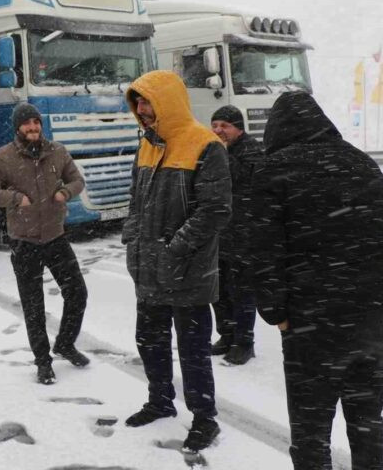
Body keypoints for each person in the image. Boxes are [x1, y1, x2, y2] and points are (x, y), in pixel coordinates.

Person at [250, 91, 383, 470]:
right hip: (370, 319)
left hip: (312, 321)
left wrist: (276, 311)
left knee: (311, 432)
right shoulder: (362, 163)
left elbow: (264, 249)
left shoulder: (274, 171)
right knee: (367, 424)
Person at [121, 70, 232, 452]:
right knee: (149, 341)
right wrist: (132, 240)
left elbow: (215, 210)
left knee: (193, 351)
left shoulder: (205, 144)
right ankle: (160, 401)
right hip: (148, 268)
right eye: (137, 102)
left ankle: (205, 419)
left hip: (188, 272)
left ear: (167, 101)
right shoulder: (147, 145)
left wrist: (174, 248)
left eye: (147, 101)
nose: (141, 109)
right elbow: (136, 203)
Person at [0, 102, 89, 385]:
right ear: (18, 127)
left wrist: (66, 191)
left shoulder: (57, 152)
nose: (33, 127)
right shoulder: (2, 158)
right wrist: (14, 198)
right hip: (24, 243)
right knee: (33, 306)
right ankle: (43, 362)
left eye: (36, 122)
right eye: (27, 123)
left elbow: (77, 180)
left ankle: (65, 343)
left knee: (77, 293)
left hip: (55, 237)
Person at [210, 105, 263, 365]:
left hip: (243, 234)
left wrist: (221, 153)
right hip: (219, 233)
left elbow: (240, 180)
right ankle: (227, 335)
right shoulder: (215, 149)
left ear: (238, 128)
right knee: (218, 290)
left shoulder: (252, 151)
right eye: (215, 125)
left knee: (242, 292)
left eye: (225, 126)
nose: (218, 130)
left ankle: (244, 342)